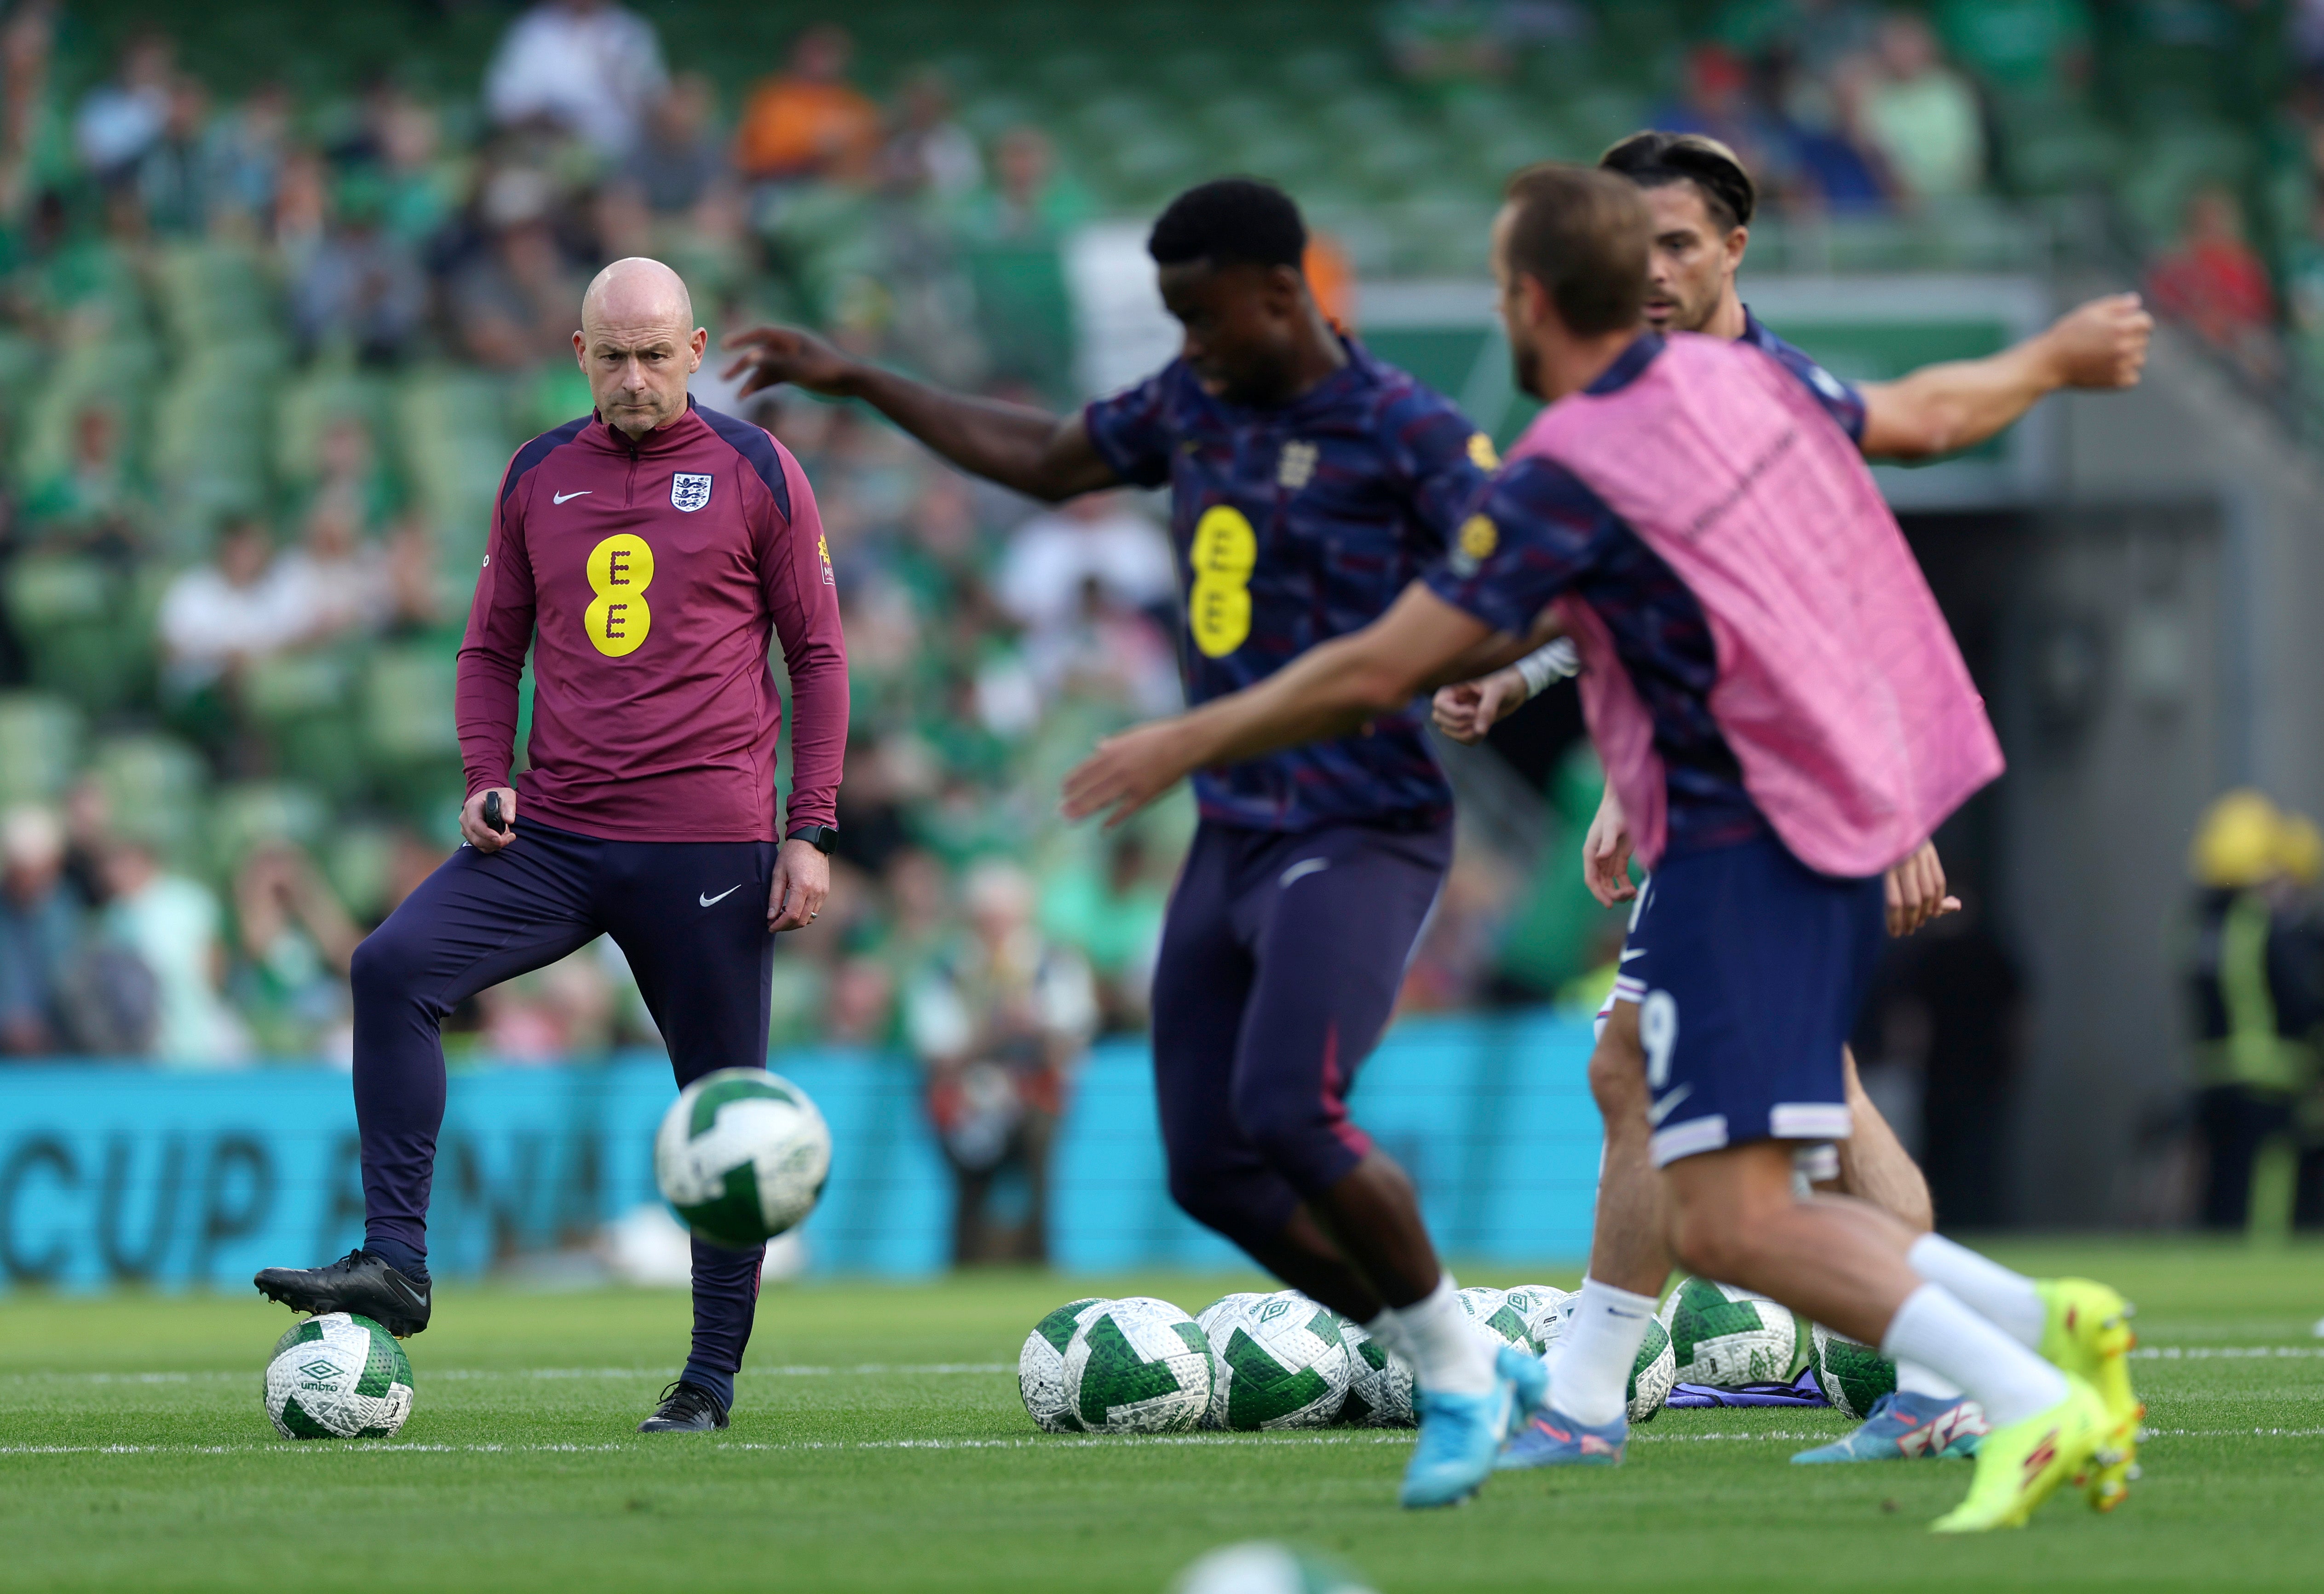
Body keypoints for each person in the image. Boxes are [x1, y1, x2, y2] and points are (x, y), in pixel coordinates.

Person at [1059, 163, 2139, 1534]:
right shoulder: (1740, 394)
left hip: (1751, 832)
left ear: (1526, 297)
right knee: (1649, 1090)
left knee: (1736, 1218)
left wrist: (1192, 739)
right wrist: (2051, 354)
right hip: (1765, 818)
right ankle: (2041, 1325)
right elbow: (1922, 421)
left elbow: (1397, 650)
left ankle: (2011, 1388)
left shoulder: (1579, 457)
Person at [721, 178, 1549, 1509]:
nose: (1189, 343)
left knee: (1288, 1109)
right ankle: (1451, 1355)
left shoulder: (1405, 432)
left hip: (1360, 821)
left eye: (1203, 314)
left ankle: (1455, 1378)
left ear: (1282, 293)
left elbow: (1519, 591)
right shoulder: (1191, 404)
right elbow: (1047, 458)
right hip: (1233, 831)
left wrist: (1470, 662)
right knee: (1207, 1164)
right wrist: (862, 381)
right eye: (1173, 318)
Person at [1431, 130, 2152, 1466]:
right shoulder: (1657, 385)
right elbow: (1647, 597)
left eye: (1674, 246)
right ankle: (1634, 1397)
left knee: (1727, 1122)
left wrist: (1889, 810)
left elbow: (1839, 597)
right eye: (1622, 246)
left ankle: (1962, 1362)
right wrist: (1549, 698)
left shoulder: (1754, 386)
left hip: (1777, 808)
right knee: (1697, 1091)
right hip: (1710, 795)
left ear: (1733, 249)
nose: (1645, 272)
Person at [252, 257, 848, 1439]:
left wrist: (810, 829)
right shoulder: (536, 474)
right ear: (578, 355)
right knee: (390, 968)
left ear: (697, 349)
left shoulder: (758, 470)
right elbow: (488, 652)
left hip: (707, 842)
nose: (633, 377)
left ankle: (708, 1382)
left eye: (655, 353)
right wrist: (486, 780)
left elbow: (818, 657)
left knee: (719, 1110)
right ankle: (398, 1264)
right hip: (558, 833)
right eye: (611, 355)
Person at [906, 858, 1096, 1265]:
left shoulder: (1054, 964)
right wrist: (995, 1031)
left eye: (1006, 918)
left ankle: (1038, 1259)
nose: (998, 929)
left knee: (1040, 1169)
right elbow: (938, 1055)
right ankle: (967, 1262)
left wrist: (1037, 1027)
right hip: (967, 1101)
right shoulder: (947, 970)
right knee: (969, 1187)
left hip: (1034, 1098)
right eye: (989, 919)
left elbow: (1072, 1046)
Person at [482, 0, 667, 159]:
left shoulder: (631, 31)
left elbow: (656, 102)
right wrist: (557, 124)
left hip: (627, 156)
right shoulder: (532, 32)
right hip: (550, 154)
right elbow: (505, 105)